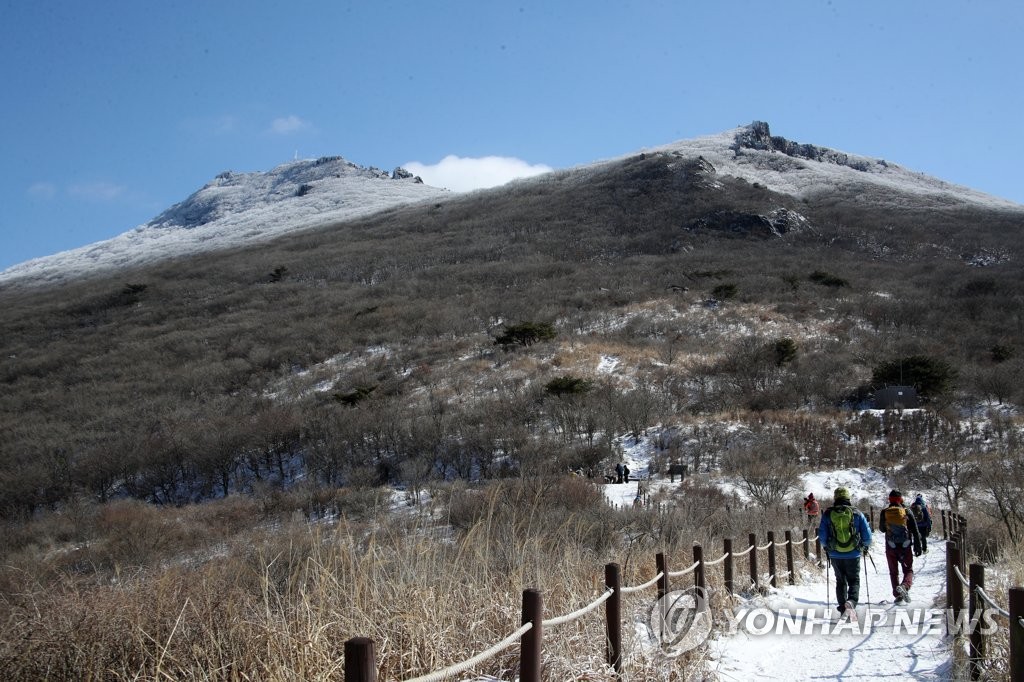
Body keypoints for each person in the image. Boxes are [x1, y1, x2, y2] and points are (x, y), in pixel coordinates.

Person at [818, 486, 872, 621]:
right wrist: (864, 546)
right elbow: (867, 537)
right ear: (848, 498)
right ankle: (851, 602)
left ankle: (843, 608)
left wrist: (827, 547)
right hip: (853, 554)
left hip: (835, 554)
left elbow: (822, 536)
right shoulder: (857, 513)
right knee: (854, 580)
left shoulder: (828, 514)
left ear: (835, 498)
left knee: (840, 581)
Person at [878, 489, 923, 604]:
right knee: (908, 569)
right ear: (900, 499)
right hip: (905, 546)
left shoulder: (885, 512)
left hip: (890, 546)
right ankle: (905, 586)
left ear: (889, 499)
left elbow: (882, 529)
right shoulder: (906, 511)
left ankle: (897, 594)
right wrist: (918, 546)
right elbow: (915, 530)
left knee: (893, 572)